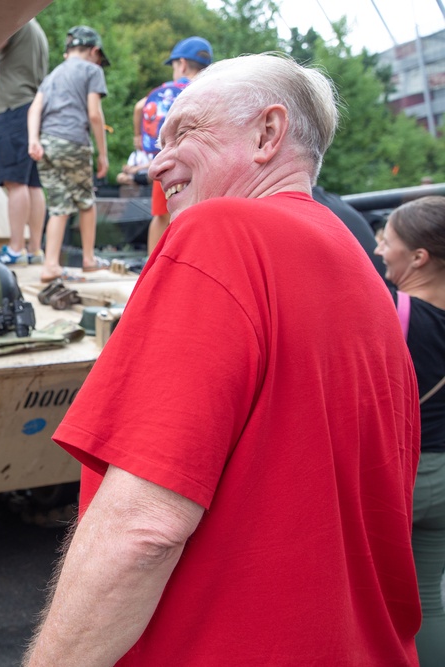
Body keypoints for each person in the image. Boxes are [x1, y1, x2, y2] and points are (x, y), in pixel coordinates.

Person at [25, 54, 422, 666]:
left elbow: (141, 530)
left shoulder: (220, 234)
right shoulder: (365, 280)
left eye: (185, 131)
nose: (158, 162)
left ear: (268, 134)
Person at [374, 195, 445, 666]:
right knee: (429, 599)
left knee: (373, 600)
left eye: (388, 241)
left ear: (418, 257)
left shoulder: (387, 310)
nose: (380, 250)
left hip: (402, 475)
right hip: (444, 481)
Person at [27, 25, 110, 283]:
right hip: (73, 141)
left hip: (47, 143)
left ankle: (50, 265)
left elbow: (34, 109)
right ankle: (88, 259)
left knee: (59, 205)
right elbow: (95, 114)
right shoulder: (92, 70)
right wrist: (102, 154)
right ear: (94, 51)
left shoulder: (53, 75)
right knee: (85, 202)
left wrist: (33, 140)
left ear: (67, 52)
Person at [133, 36, 212, 252]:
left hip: (167, 162)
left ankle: (152, 268)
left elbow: (140, 107)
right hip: (202, 163)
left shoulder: (168, 89)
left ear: (182, 64)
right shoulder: (212, 88)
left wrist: (138, 138)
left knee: (161, 215)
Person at [0, 18, 49, 266]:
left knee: (15, 182)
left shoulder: (12, 14)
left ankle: (15, 249)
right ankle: (35, 249)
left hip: (15, 108)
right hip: (33, 109)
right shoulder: (36, 28)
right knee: (32, 183)